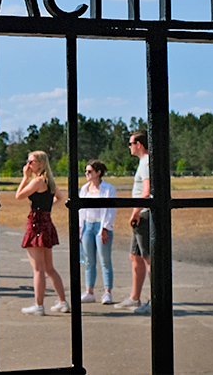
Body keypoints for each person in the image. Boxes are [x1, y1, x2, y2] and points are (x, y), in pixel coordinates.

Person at [16, 150, 69, 316]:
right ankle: (63, 301)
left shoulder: (38, 181)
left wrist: (25, 177)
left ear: (40, 163)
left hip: (36, 223)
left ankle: (39, 305)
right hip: (46, 222)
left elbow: (19, 195)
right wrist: (48, 207)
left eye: (31, 161)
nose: (28, 164)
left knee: (38, 269)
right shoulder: (49, 181)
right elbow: (60, 197)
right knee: (49, 268)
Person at [118, 130, 152, 315]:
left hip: (144, 214)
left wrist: (135, 211)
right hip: (141, 214)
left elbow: (146, 191)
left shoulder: (146, 162)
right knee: (135, 256)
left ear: (139, 144)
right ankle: (134, 298)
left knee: (149, 259)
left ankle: (156, 301)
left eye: (131, 144)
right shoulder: (142, 162)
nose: (129, 147)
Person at [78, 159, 116, 305]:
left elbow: (111, 209)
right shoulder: (84, 189)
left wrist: (105, 228)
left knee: (105, 260)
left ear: (98, 173)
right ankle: (89, 291)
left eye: (90, 171)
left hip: (101, 226)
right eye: (86, 171)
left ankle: (107, 292)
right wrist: (80, 230)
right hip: (88, 226)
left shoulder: (108, 189)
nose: (87, 174)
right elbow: (81, 210)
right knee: (89, 261)